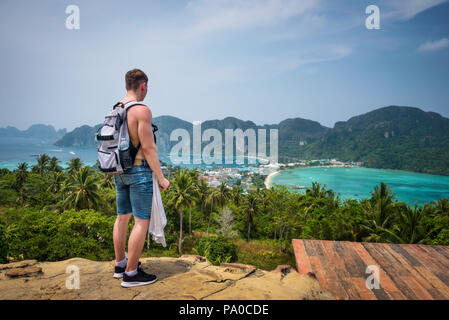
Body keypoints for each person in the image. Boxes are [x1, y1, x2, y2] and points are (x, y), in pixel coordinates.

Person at [112, 69, 170, 288]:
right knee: (141, 222)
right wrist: (162, 178)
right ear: (143, 85)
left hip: (120, 171)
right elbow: (148, 148)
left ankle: (120, 265)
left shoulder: (117, 108)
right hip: (139, 172)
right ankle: (131, 274)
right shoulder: (142, 110)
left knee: (121, 218)